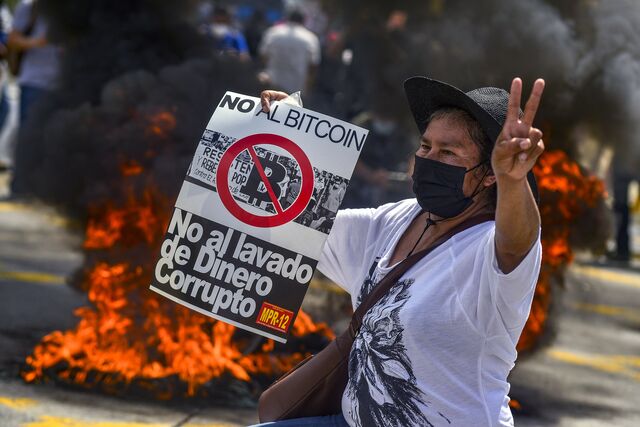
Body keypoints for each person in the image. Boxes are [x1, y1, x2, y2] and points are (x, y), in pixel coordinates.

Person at [257, 75, 545, 427]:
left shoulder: (489, 250)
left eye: (448, 152)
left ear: (488, 175)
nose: (429, 158)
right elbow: (298, 221)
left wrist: (513, 180)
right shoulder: (394, 219)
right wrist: (288, 132)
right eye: (425, 147)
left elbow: (518, 244)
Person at [8, 0, 60, 124]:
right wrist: (38, 42)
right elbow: (12, 40)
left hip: (60, 86)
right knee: (29, 137)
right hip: (34, 83)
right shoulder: (29, 6)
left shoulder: (70, 10)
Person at [258, 10, 320, 94]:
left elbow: (263, 55)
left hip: (272, 83)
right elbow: (313, 65)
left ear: (288, 18)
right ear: (303, 21)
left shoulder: (273, 32)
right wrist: (308, 87)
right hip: (295, 88)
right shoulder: (310, 38)